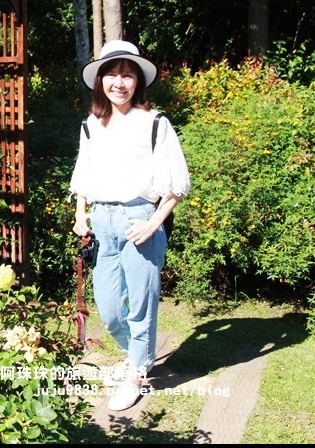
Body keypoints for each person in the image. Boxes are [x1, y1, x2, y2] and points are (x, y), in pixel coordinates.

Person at [69, 40, 190, 412]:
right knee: (108, 307)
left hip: (140, 219)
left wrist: (154, 223)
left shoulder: (154, 124)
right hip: (102, 222)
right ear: (100, 80)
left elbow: (176, 184)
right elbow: (83, 175)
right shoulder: (91, 125)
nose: (119, 82)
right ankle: (139, 353)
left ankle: (136, 372)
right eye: (112, 73)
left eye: (127, 74)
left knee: (140, 303)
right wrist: (80, 215)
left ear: (138, 82)